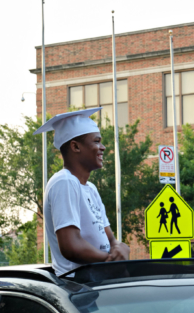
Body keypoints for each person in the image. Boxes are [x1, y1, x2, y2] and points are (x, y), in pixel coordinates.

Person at [34, 109, 130, 277]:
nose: (103, 147)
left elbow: (110, 239)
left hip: (97, 279)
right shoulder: (64, 182)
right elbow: (71, 246)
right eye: (97, 141)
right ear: (75, 146)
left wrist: (119, 247)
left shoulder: (90, 188)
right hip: (77, 284)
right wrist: (110, 260)